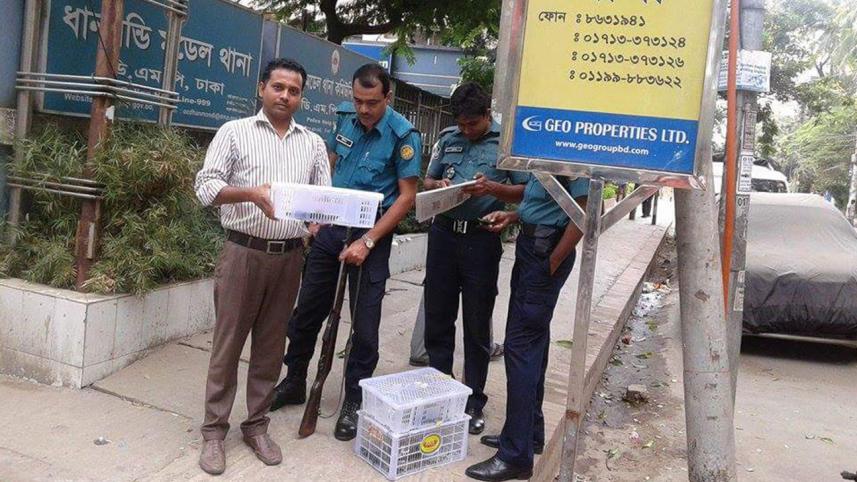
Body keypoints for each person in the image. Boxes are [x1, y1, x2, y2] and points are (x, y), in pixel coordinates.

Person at [269, 63, 422, 442]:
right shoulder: (344, 120)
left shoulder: (404, 135)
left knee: (365, 327)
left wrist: (368, 241)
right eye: (357, 101)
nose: (363, 110)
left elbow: (407, 197)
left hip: (373, 234)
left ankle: (354, 399)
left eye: (372, 102)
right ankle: (296, 381)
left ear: (387, 97)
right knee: (306, 313)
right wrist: (316, 217)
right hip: (332, 229)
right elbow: (328, 168)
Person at [193, 58, 331, 475]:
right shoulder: (234, 133)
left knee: (271, 347)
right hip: (243, 253)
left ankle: (256, 426)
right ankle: (214, 432)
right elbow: (206, 186)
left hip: (289, 257)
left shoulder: (312, 143)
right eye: (278, 87)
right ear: (262, 88)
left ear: (301, 97)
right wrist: (251, 195)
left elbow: (322, 196)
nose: (285, 96)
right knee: (228, 345)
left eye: (293, 90)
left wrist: (316, 222)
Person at [465, 174, 589, 481]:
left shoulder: (568, 148)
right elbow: (543, 200)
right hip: (534, 245)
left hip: (545, 250)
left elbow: (583, 211)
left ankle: (515, 456)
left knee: (520, 348)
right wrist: (514, 215)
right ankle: (529, 433)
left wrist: (553, 261)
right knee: (534, 344)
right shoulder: (543, 149)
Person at [421, 82, 528, 435]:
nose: (466, 130)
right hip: (443, 236)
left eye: (472, 124)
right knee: (438, 319)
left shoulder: (506, 144)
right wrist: (438, 188)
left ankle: (473, 400)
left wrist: (493, 189)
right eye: (461, 124)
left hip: (481, 241)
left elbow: (526, 191)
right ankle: (440, 391)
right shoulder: (449, 137)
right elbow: (428, 179)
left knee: (476, 325)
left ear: (487, 115)